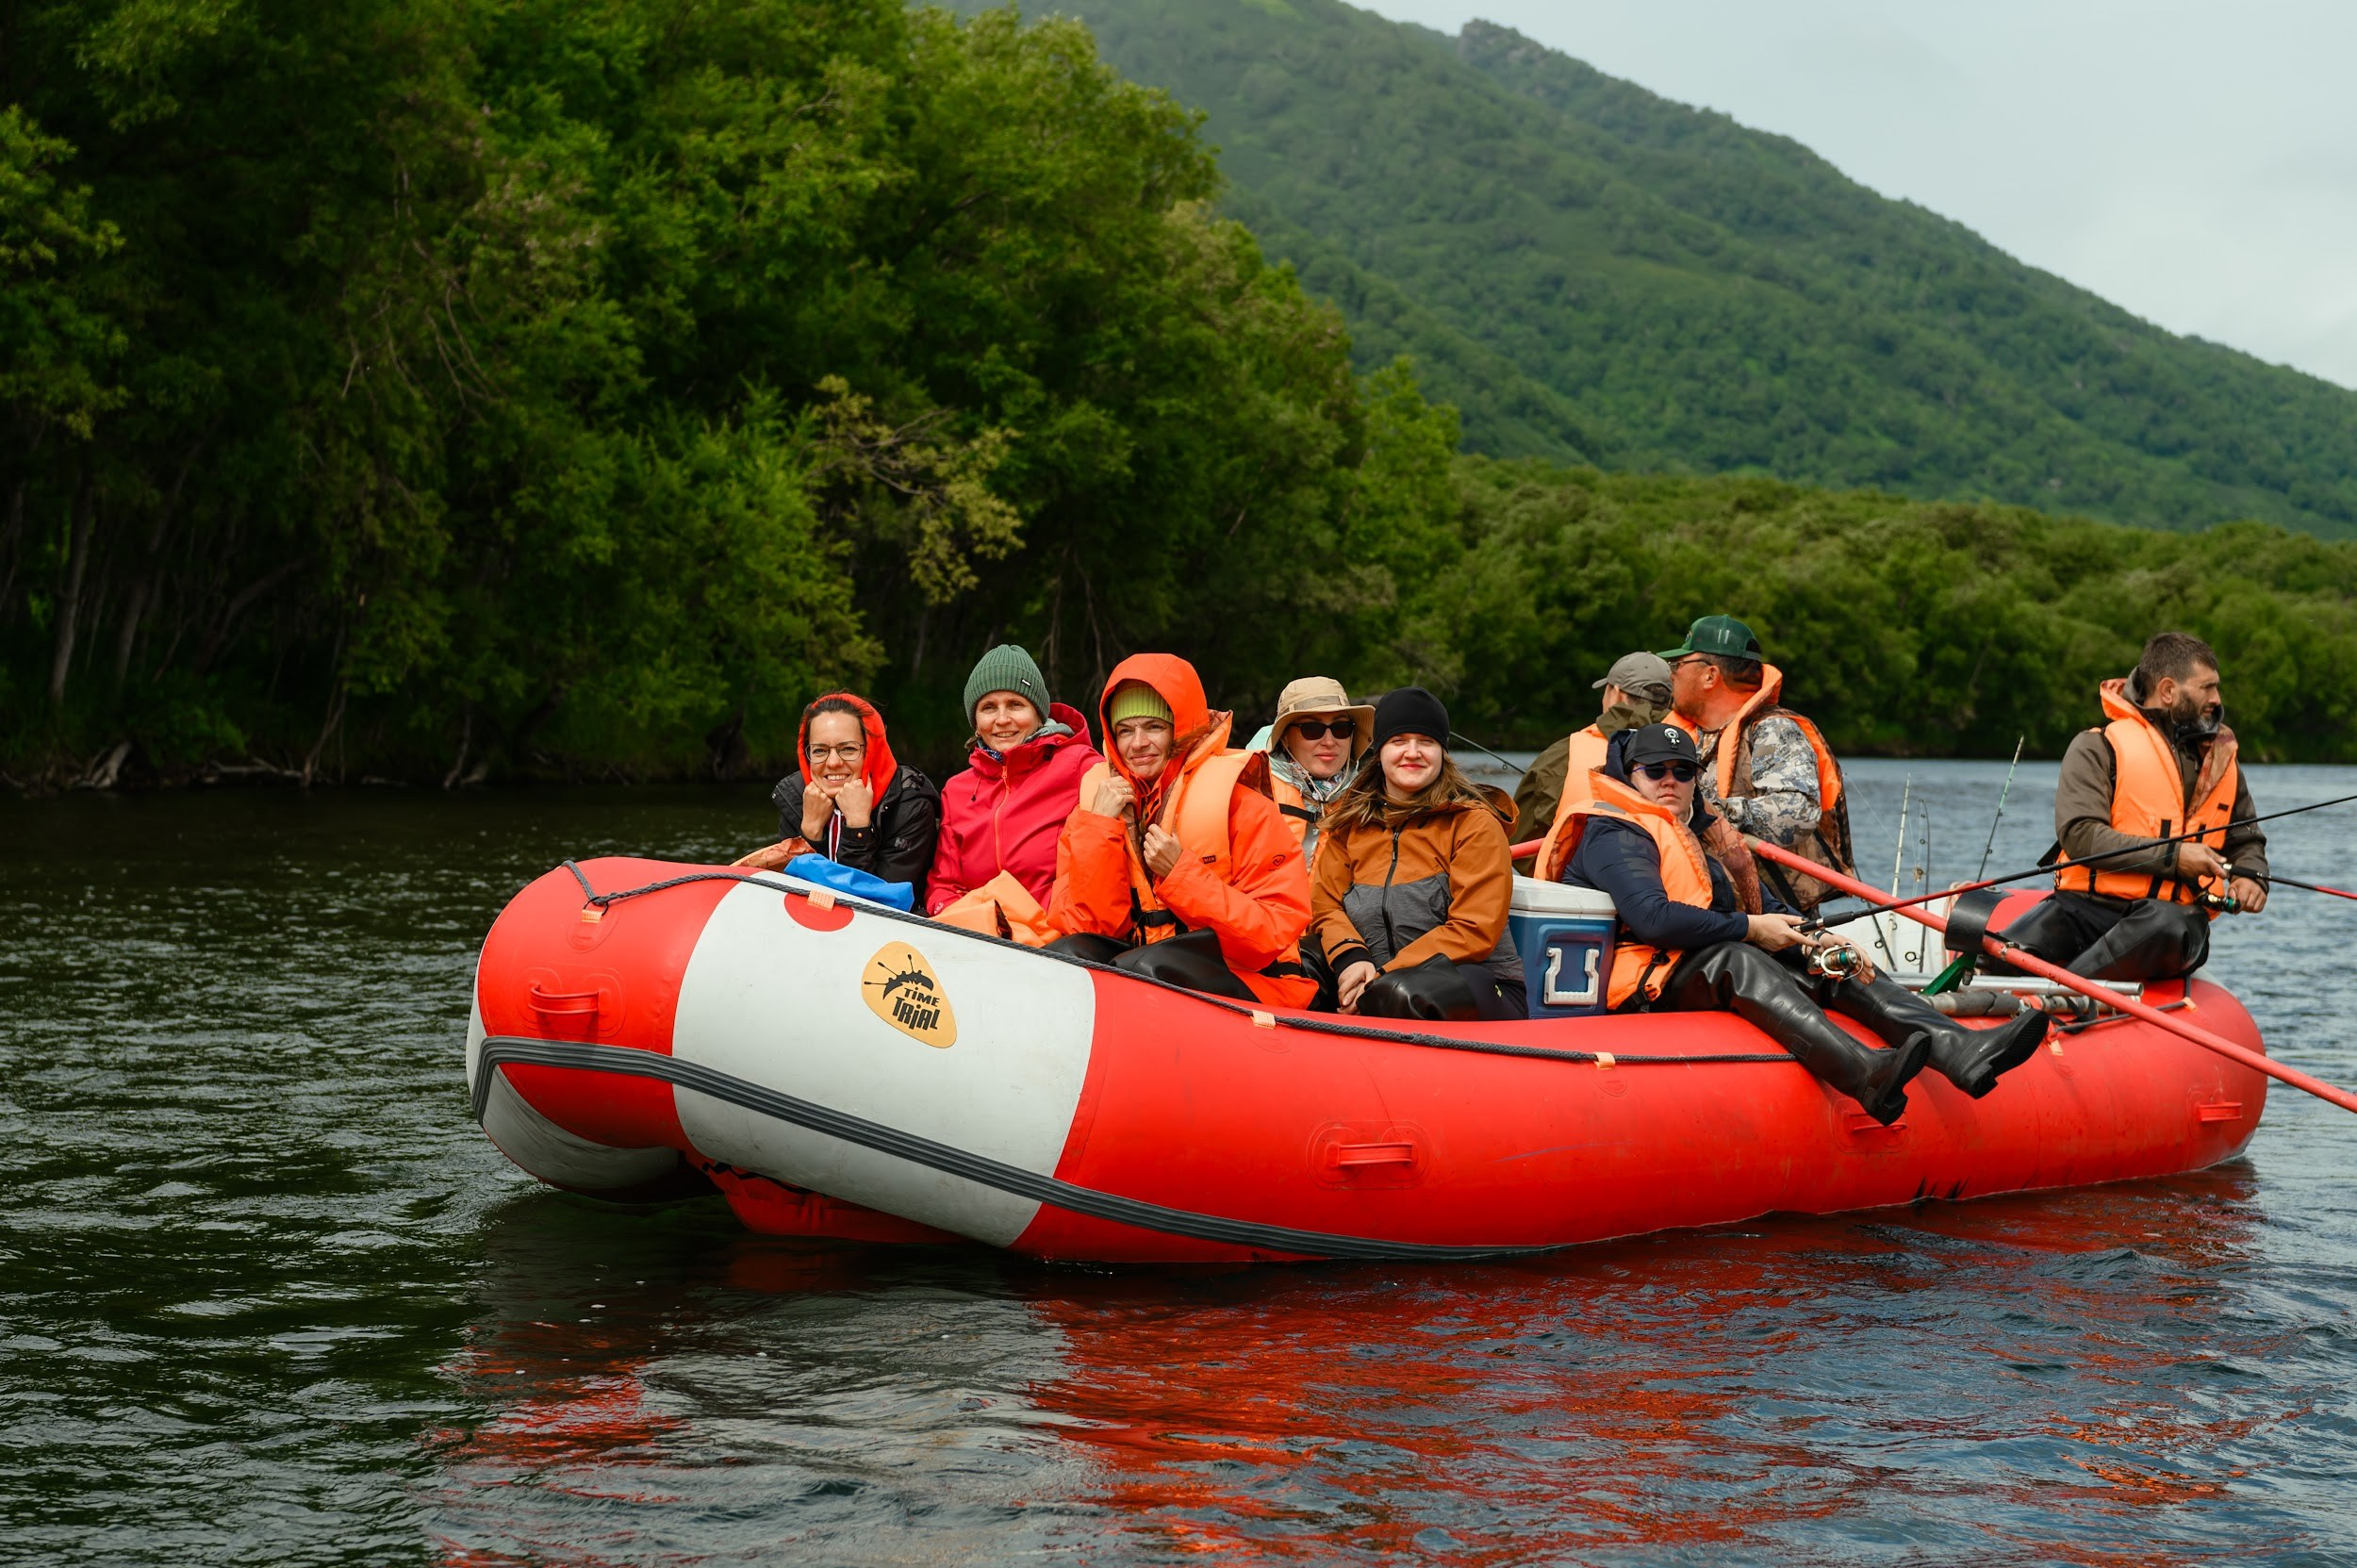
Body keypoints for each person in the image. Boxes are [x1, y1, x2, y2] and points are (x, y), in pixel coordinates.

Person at [1555, 723, 2047, 1122]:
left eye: (1682, 771)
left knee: (1829, 962)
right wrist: (1752, 929)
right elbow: (1654, 920)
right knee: (1739, 955)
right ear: (1628, 775)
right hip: (1639, 980)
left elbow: (1767, 909)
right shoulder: (1614, 832)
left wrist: (1818, 937)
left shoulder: (1701, 832)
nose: (1669, 780)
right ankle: (1864, 1075)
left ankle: (1958, 1050)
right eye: (1654, 770)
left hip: (1691, 959)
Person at [1044, 654, 1315, 1007]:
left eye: (1153, 727)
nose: (1137, 743)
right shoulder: (1093, 810)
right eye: (1125, 730)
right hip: (1150, 965)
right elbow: (1086, 926)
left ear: (1181, 730)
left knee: (1151, 969)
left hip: (1252, 978)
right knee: (1064, 954)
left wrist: (1181, 875)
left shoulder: (1242, 804)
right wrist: (1099, 830)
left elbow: (1272, 934)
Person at [1998, 632, 2267, 982]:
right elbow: (2080, 835)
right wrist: (2175, 856)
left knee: (2172, 922)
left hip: (2170, 921)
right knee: (2003, 955)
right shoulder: (2096, 746)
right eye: (2207, 688)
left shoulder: (2221, 761)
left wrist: (2251, 876)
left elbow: (2246, 839)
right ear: (2169, 691)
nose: (2217, 699)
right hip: (2082, 909)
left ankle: (2059, 998)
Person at [1311, 686, 1526, 1021]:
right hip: (1374, 977)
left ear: (1442, 752)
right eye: (1399, 741)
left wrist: (1383, 978)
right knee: (1303, 964)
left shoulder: (1475, 824)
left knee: (1406, 994)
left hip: (1476, 982)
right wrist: (1351, 961)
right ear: (1379, 751)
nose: (1412, 752)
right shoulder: (1349, 826)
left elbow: (1473, 929)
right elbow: (1325, 907)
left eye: (1426, 742)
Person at [1660, 613, 1854, 914]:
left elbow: (1797, 812)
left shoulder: (1772, 730)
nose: (1672, 674)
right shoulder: (1693, 737)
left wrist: (1712, 811)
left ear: (1710, 675)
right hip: (1714, 910)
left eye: (1679, 665)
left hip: (1774, 920)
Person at [926, 645, 1102, 916]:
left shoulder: (1081, 767)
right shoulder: (957, 790)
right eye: (988, 707)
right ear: (975, 721)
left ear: (1038, 713)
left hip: (1056, 940)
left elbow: (1101, 870)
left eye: (1015, 704)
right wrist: (971, 923)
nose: (1002, 719)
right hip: (982, 939)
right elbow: (943, 886)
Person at [735, 692, 939, 887]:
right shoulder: (796, 797)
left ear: (871, 751)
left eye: (848, 749)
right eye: (820, 751)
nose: (833, 762)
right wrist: (810, 833)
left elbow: (882, 904)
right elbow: (789, 892)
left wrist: (858, 828)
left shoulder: (911, 807)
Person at [1509, 652, 1675, 860]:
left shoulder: (1562, 753)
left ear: (1616, 694)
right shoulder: (1692, 743)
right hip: (1669, 877)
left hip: (1577, 880)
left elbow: (1520, 834)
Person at [1254, 675, 1375, 864]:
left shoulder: (1368, 800)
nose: (1329, 741)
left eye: (1341, 728)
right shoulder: (1251, 790)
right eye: (1312, 729)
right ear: (1284, 737)